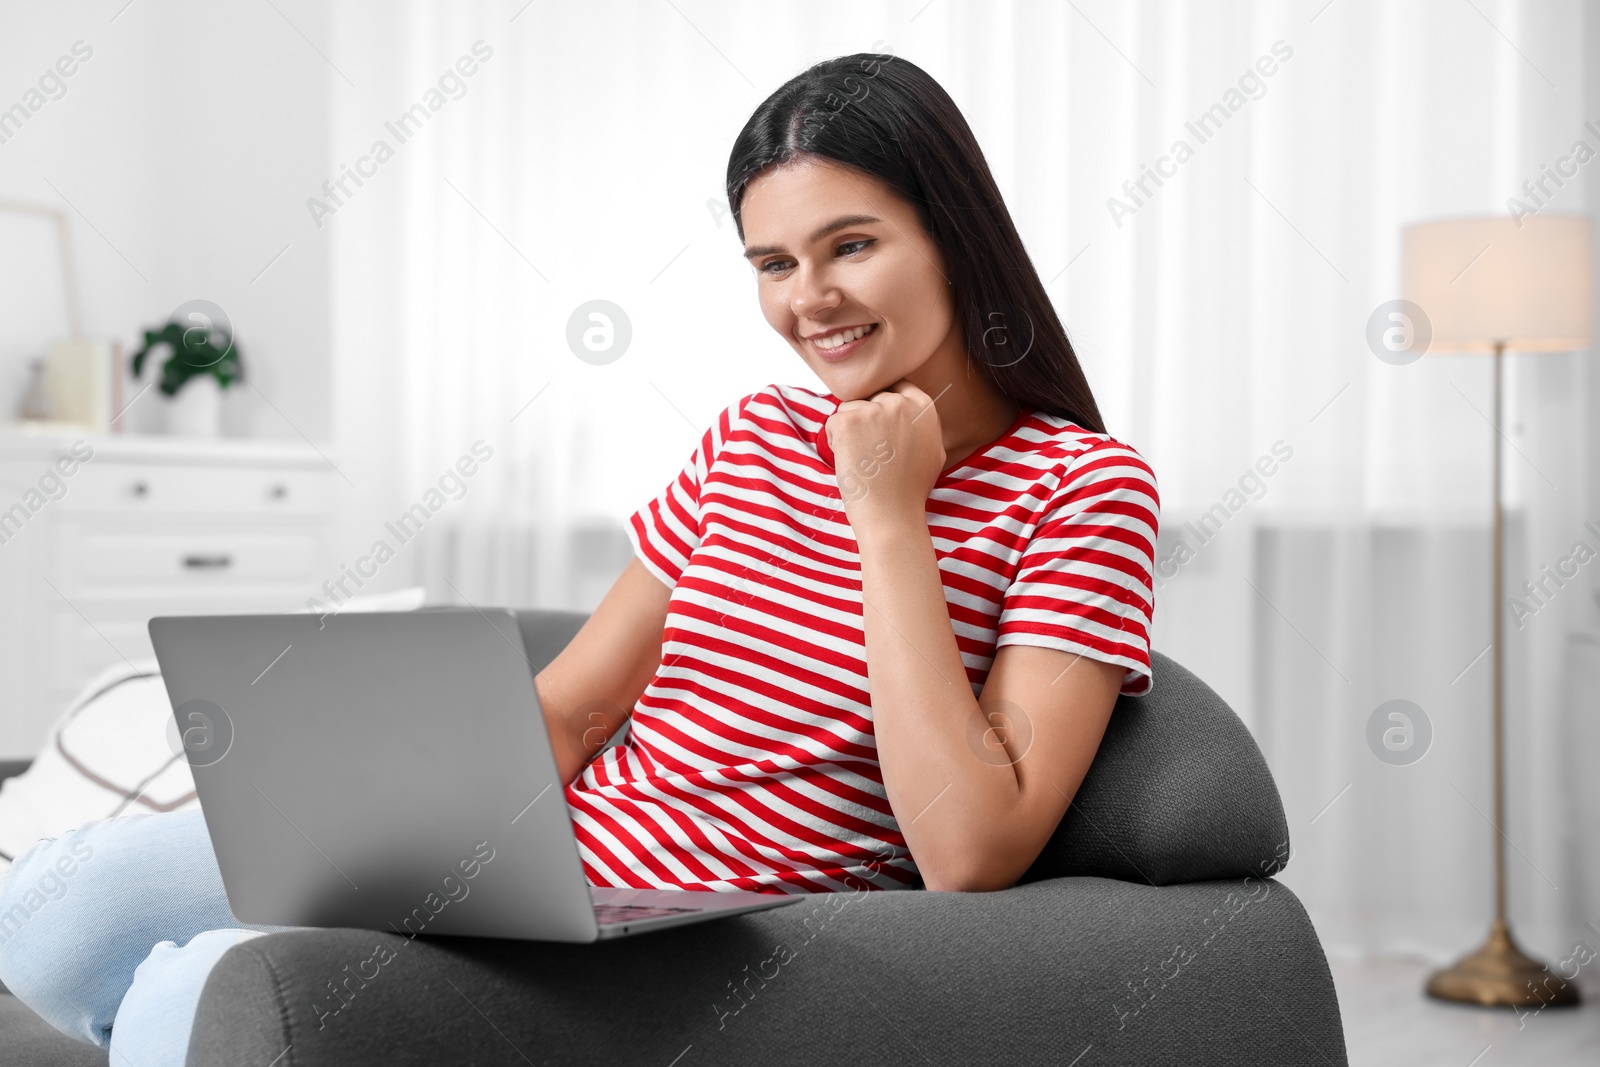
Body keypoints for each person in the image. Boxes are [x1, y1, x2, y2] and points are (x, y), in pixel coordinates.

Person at [0, 51, 1159, 1065]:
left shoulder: (1083, 486)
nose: (810, 300)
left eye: (849, 245)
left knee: (197, 986)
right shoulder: (753, 434)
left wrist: (888, 514)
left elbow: (970, 847)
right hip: (534, 861)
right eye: (771, 263)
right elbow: (574, 707)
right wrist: (382, 832)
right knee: (53, 913)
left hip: (693, 926)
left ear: (954, 236)